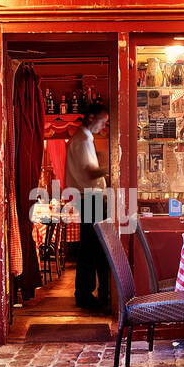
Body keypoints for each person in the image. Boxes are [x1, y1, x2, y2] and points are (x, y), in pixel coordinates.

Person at [67, 101, 111, 312]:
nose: (104, 126)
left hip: (87, 198)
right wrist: (110, 169)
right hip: (90, 199)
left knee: (90, 247)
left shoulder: (83, 137)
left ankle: (88, 293)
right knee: (94, 248)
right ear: (92, 118)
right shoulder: (83, 139)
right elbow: (89, 172)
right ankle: (88, 294)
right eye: (103, 121)